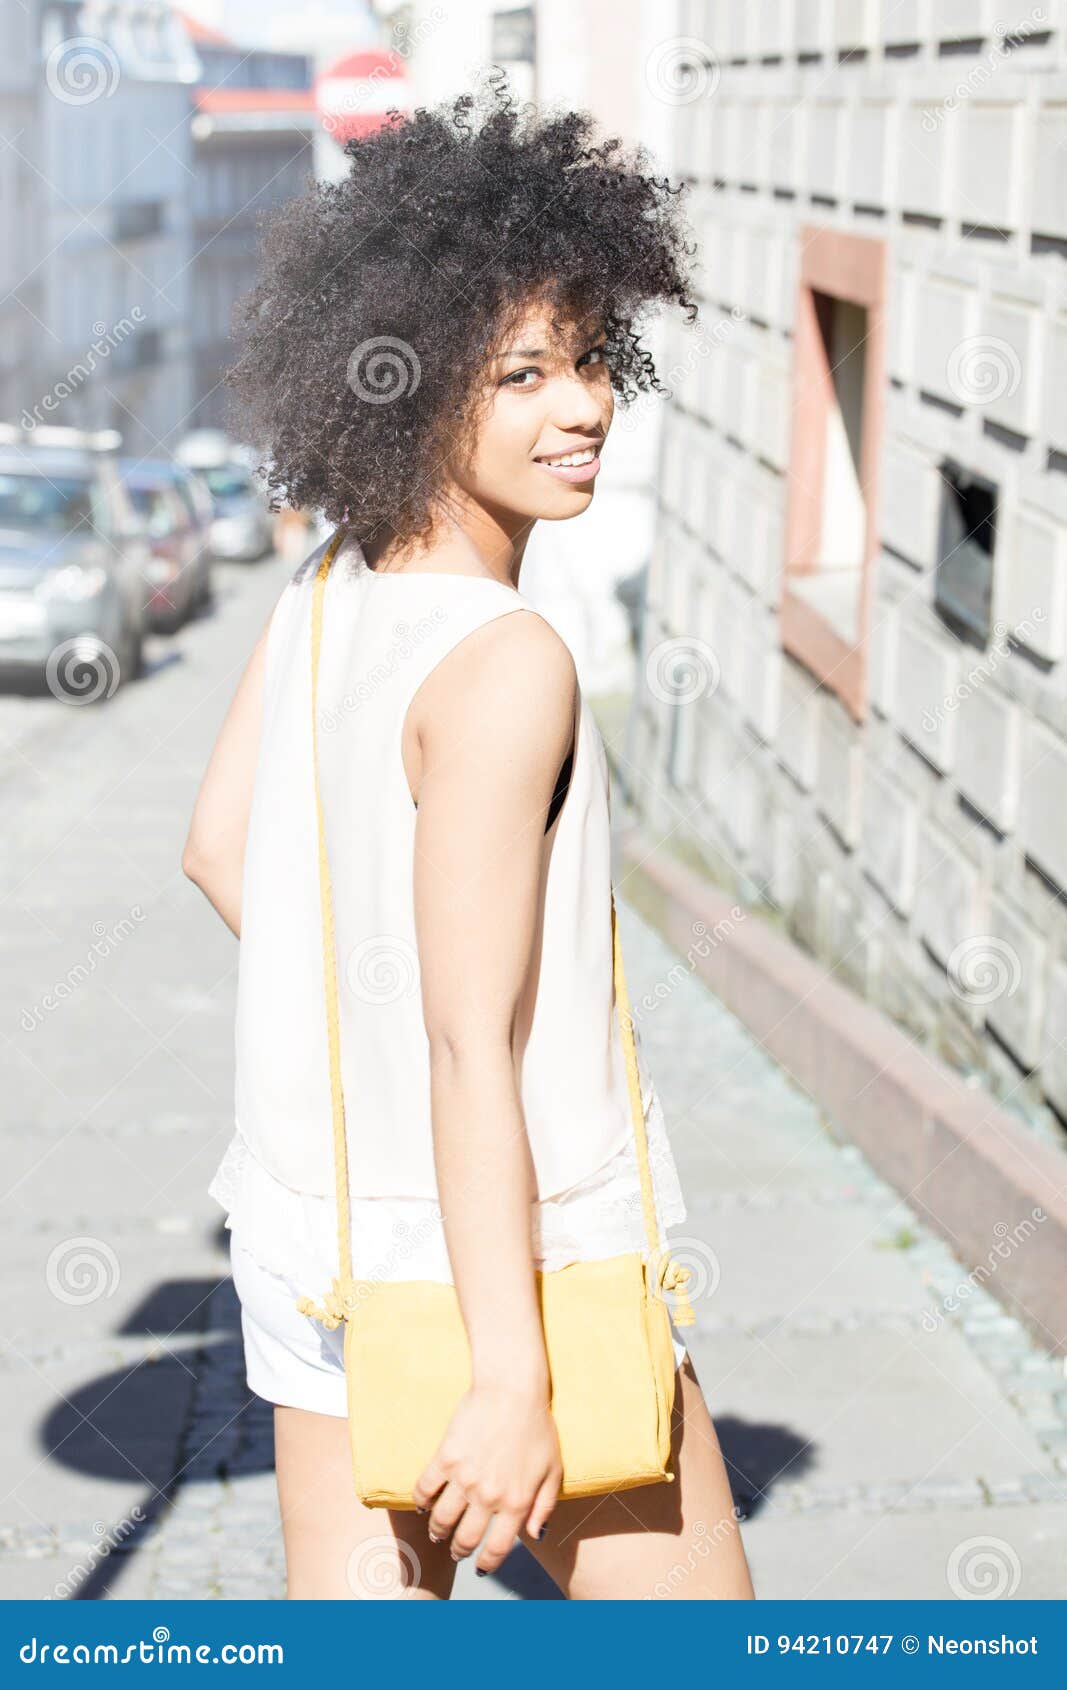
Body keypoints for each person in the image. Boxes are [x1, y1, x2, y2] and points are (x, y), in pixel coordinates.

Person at [183, 74, 754, 1602]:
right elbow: (463, 1043)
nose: (583, 407)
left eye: (588, 359)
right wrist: (511, 1371)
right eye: (521, 375)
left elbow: (222, 850)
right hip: (516, 1262)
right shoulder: (510, 661)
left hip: (312, 1247)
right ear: (415, 385)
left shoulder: (327, 588)